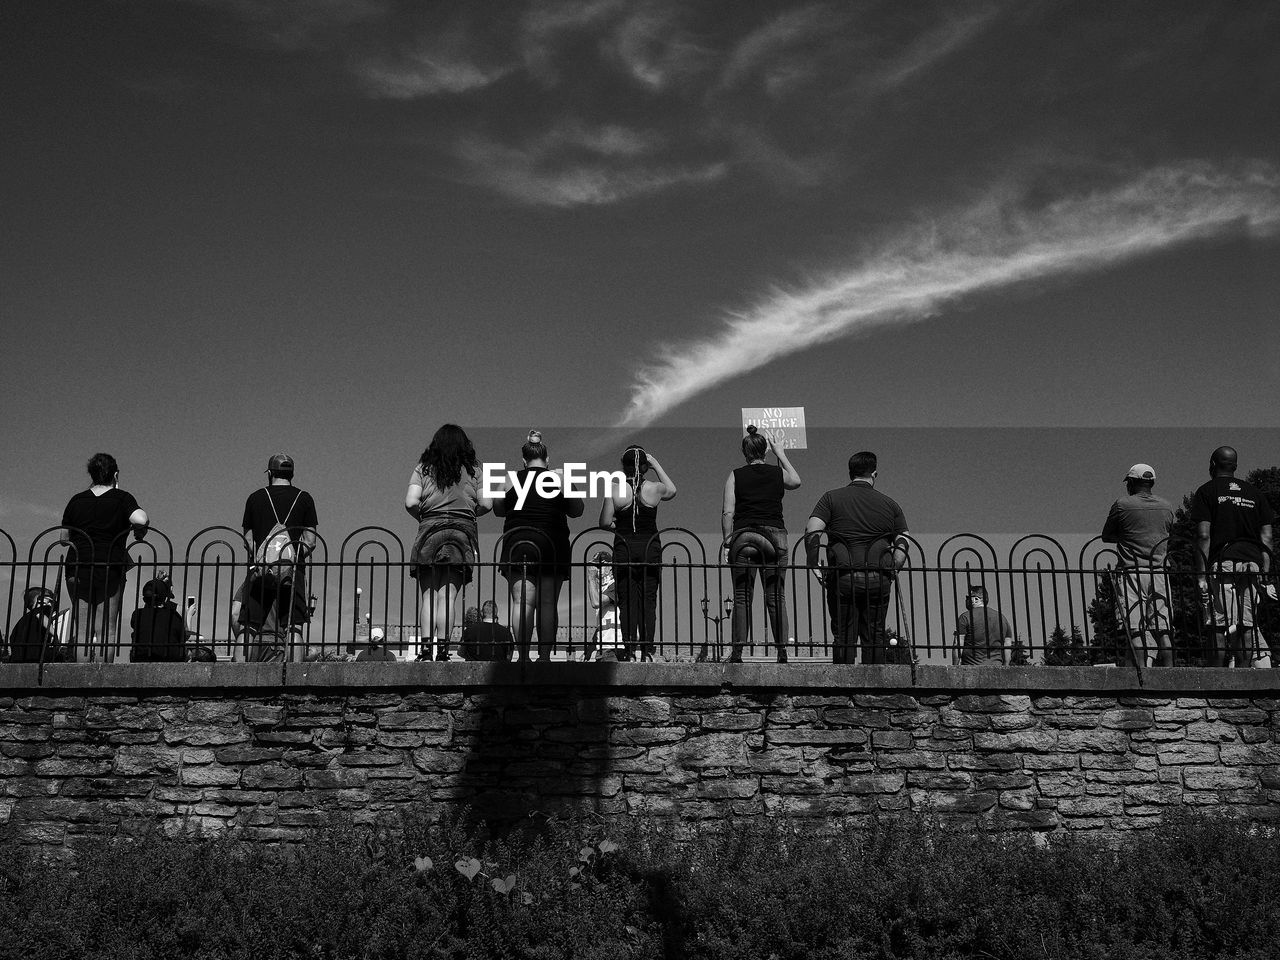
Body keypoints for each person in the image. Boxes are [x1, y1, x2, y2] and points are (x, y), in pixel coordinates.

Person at [804, 451, 909, 665]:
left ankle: (843, 683)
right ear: (874, 473)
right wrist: (894, 566)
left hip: (843, 576)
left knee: (843, 636)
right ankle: (875, 684)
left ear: (850, 472)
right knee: (876, 635)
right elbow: (904, 539)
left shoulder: (830, 498)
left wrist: (813, 563)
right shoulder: (890, 504)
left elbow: (812, 531)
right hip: (879, 577)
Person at [493, 431, 584, 661]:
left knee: (521, 602)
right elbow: (577, 510)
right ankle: (544, 657)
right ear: (547, 459)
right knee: (547, 604)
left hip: (518, 542)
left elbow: (498, 509)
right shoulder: (558, 478)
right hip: (552, 544)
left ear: (524, 460)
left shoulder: (510, 478)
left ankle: (523, 657)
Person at [405, 424, 491, 662]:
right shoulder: (475, 470)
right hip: (461, 532)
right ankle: (443, 650)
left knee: (428, 597)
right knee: (448, 596)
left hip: (430, 529)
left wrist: (425, 517)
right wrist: (469, 512)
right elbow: (487, 504)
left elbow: (411, 502)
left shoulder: (423, 468)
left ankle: (425, 650)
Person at [1190, 446, 1275, 668]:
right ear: (1235, 466)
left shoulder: (1206, 492)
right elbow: (1267, 538)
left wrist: (1201, 574)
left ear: (1212, 465)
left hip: (1224, 562)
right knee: (1246, 625)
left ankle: (1215, 677)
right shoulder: (1255, 494)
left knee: (1219, 624)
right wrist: (1266, 575)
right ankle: (1245, 676)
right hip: (1252, 563)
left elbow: (1203, 535)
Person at [721, 425, 801, 663]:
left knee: (742, 596)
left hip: (744, 535)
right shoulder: (777, 474)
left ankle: (737, 652)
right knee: (776, 596)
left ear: (744, 453)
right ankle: (782, 651)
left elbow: (727, 512)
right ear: (765, 451)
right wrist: (781, 454)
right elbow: (796, 481)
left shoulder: (735, 475)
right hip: (775, 536)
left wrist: (727, 543)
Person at [61, 452, 149, 661]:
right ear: (115, 474)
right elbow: (141, 519)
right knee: (106, 631)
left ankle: (82, 678)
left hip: (78, 564)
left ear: (91, 474)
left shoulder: (77, 500)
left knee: (82, 630)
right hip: (110, 564)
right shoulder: (122, 498)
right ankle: (101, 678)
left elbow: (64, 538)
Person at [233, 454, 318, 662]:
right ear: (292, 474)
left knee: (249, 625)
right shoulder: (304, 498)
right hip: (292, 570)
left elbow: (248, 538)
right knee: (293, 627)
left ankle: (238, 677)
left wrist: (261, 558)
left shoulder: (255, 498)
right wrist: (292, 559)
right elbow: (311, 540)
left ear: (270, 473)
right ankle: (295, 680)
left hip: (261, 570)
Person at [600, 445, 676, 661]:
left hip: (624, 546)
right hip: (649, 547)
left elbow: (604, 522)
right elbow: (672, 490)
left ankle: (630, 649)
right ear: (644, 467)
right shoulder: (654, 488)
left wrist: (620, 527)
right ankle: (648, 650)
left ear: (623, 468)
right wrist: (656, 464)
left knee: (626, 601)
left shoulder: (614, 489)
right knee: (648, 600)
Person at [1101, 463, 1175, 667]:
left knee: (1136, 629)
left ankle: (1139, 675)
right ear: (1151, 482)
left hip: (1131, 571)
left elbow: (1106, 536)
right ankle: (1170, 675)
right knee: (1163, 628)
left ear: (1131, 483)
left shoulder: (1122, 505)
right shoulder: (1167, 507)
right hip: (1159, 572)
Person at [130, 575, 187, 663]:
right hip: (169, 659)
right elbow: (183, 636)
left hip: (141, 657)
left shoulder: (138, 614)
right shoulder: (173, 615)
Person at [954, 584, 1012, 665]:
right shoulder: (1002, 618)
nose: (966, 600)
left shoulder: (965, 617)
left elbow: (958, 645)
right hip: (996, 669)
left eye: (967, 597)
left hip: (971, 668)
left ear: (976, 599)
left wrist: (955, 667)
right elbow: (1008, 647)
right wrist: (1005, 667)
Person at [6, 587, 66, 663]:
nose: (50, 604)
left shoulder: (24, 620)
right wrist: (54, 634)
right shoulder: (41, 610)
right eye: (47, 601)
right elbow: (41, 616)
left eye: (52, 602)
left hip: (20, 657)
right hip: (35, 655)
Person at [584, 549, 620, 661]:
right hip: (604, 647)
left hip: (613, 647)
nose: (596, 570)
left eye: (600, 565)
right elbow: (603, 624)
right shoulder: (602, 589)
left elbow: (596, 602)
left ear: (610, 567)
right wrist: (590, 649)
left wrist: (591, 578)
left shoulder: (615, 585)